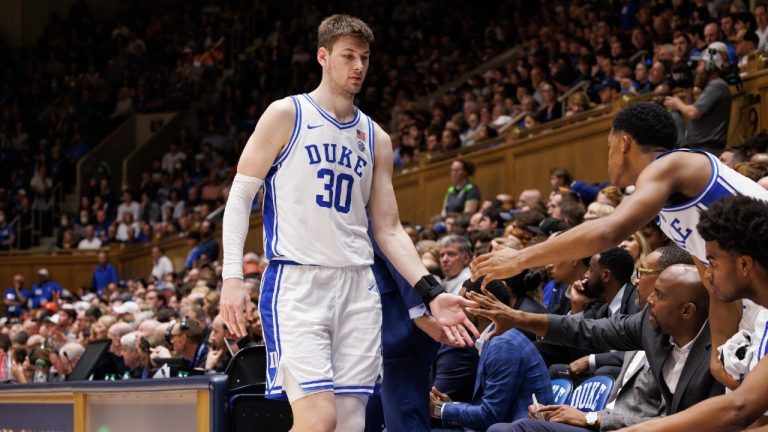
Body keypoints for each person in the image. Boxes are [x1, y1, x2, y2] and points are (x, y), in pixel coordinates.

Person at [219, 14, 476, 432]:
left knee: (351, 425)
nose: (358, 66)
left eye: (365, 58)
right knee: (318, 421)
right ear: (323, 56)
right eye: (348, 56)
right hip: (300, 283)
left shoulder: (376, 138)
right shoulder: (287, 113)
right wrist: (232, 276)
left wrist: (431, 292)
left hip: (359, 289)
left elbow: (389, 230)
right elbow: (240, 195)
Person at [470, 102, 768, 389]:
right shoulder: (670, 202)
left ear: (624, 143)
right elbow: (715, 285)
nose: (609, 156)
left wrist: (521, 258)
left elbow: (609, 232)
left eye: (609, 146)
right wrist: (720, 349)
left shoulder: (673, 164)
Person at [471, 265, 723, 431]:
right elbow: (586, 331)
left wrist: (593, 418)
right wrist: (517, 317)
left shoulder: (720, 355)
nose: (649, 300)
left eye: (659, 295)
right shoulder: (650, 326)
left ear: (687, 311)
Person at [618, 196, 768, 431]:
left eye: (713, 263)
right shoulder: (760, 318)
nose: (706, 275)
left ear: (745, 264)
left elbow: (740, 409)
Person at [430, 282, 553, 431]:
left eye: (459, 304)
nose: (454, 311)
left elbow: (491, 415)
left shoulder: (502, 344)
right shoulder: (496, 339)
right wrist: (451, 405)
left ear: (475, 308)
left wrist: (440, 409)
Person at [663, 42, 732, 152]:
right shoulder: (712, 86)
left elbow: (693, 113)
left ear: (709, 66)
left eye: (699, 65)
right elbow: (693, 111)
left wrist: (678, 103)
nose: (696, 70)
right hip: (700, 148)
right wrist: (688, 90)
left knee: (674, 115)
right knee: (673, 116)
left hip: (709, 148)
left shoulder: (717, 85)